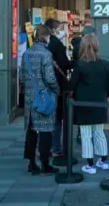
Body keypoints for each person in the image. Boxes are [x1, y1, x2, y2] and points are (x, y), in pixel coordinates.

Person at [70, 34, 109, 175]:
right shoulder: (105, 64)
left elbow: (72, 85)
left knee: (86, 134)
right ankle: (104, 160)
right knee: (99, 133)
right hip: (100, 103)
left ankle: (90, 164)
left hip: (83, 104)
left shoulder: (80, 65)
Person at [21, 25, 59, 175]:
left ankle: (31, 163)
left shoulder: (26, 54)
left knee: (31, 132)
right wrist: (56, 89)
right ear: (45, 37)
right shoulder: (46, 54)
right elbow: (50, 77)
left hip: (30, 99)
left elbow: (22, 77)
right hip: (44, 98)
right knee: (45, 131)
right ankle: (45, 164)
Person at [43, 18, 73, 160]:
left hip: (43, 86)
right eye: (60, 28)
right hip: (57, 85)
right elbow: (65, 64)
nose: (62, 31)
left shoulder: (40, 44)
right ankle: (56, 148)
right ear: (54, 30)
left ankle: (43, 148)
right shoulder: (56, 44)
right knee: (57, 118)